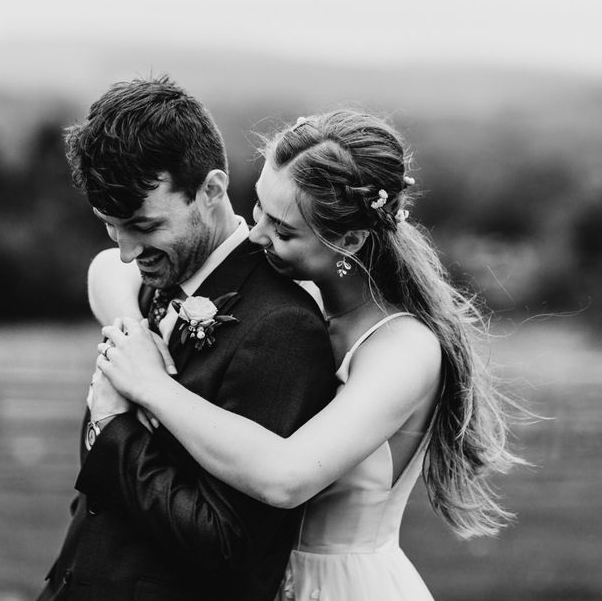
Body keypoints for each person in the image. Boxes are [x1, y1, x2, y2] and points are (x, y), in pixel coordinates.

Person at [96, 110, 524, 600]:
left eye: (282, 230)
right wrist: (134, 330)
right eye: (258, 210)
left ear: (349, 240)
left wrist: (152, 385)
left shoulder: (402, 348)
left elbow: (287, 477)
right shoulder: (300, 301)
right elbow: (107, 269)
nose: (256, 237)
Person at [36, 76, 336, 601]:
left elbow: (231, 546)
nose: (128, 252)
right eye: (111, 226)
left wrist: (112, 426)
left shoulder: (280, 327)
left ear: (212, 190)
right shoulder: (158, 280)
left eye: (144, 226)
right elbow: (109, 269)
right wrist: (129, 326)